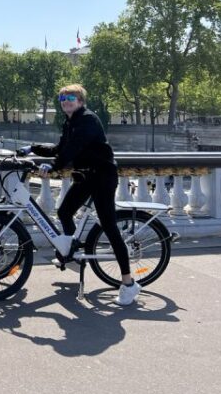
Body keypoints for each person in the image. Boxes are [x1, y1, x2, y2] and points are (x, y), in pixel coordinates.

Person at [23, 84, 141, 306]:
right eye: (62, 98)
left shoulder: (87, 119)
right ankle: (72, 252)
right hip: (86, 177)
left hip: (103, 177)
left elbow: (72, 149)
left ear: (80, 101)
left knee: (109, 225)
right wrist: (32, 148)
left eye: (70, 97)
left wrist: (53, 167)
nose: (65, 101)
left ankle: (128, 284)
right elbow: (61, 147)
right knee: (64, 211)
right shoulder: (71, 121)